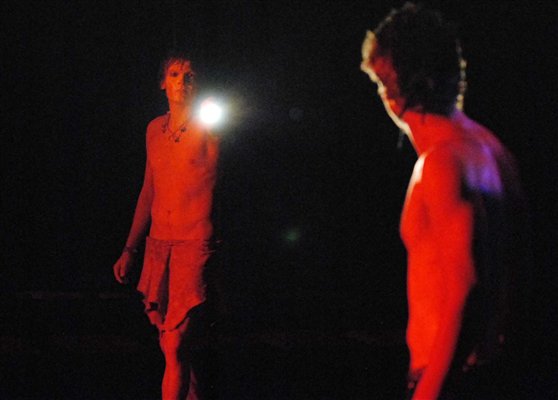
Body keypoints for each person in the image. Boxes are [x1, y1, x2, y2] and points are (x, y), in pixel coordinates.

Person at [361, 3, 528, 399]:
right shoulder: (492, 148)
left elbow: (465, 288)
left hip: (448, 378)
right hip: (492, 371)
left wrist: (429, 392)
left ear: (389, 83)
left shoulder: (441, 162)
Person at [113, 49, 219, 400]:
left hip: (193, 246)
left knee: (175, 343)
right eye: (175, 75)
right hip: (159, 245)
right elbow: (149, 191)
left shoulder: (211, 127)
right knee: (172, 345)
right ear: (163, 83)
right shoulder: (154, 130)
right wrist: (130, 248)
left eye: (190, 76)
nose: (182, 82)